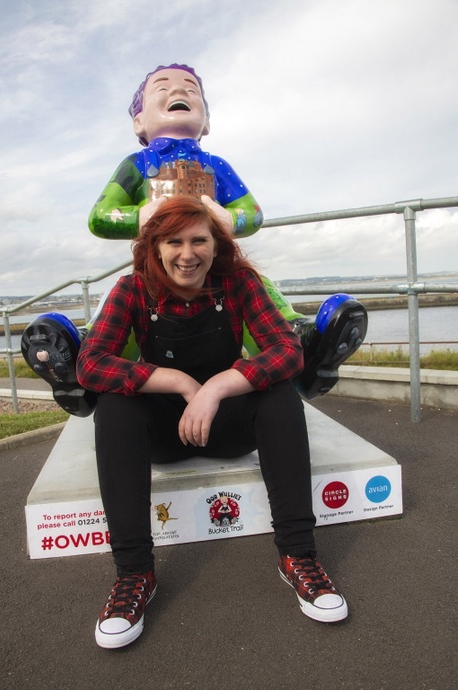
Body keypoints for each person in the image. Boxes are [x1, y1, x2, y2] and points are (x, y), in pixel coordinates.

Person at [76, 196, 348, 650]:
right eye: (174, 242)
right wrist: (179, 382)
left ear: (215, 244)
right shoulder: (131, 289)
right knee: (115, 404)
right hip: (166, 431)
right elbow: (91, 364)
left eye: (199, 240)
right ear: (154, 248)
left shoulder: (240, 283)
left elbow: (286, 351)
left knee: (280, 394)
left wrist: (218, 386)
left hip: (227, 426)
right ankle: (134, 575)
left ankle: (298, 556)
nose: (188, 253)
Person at [20, 63, 367, 416]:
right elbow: (99, 216)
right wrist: (137, 217)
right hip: (155, 270)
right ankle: (82, 357)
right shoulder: (136, 165)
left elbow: (254, 211)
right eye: (163, 88)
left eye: (190, 89)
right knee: (123, 301)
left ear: (207, 121)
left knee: (257, 291)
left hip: (216, 267)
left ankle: (302, 342)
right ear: (138, 121)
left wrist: (229, 218)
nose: (179, 93)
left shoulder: (217, 165)